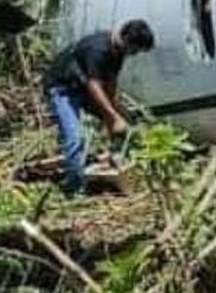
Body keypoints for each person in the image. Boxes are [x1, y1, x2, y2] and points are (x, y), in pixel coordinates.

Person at [43, 20, 155, 195]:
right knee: (76, 138)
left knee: (124, 121)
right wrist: (113, 117)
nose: (133, 54)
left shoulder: (118, 52)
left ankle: (115, 159)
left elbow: (110, 83)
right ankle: (74, 189)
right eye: (134, 50)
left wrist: (115, 114)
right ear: (126, 39)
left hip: (83, 88)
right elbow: (94, 86)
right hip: (63, 90)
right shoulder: (97, 49)